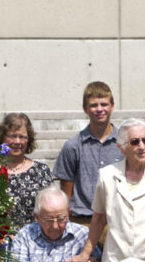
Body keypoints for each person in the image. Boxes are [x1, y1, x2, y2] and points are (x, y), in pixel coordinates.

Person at [65, 119, 145, 262]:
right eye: (135, 142)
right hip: (117, 261)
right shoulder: (107, 175)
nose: (142, 146)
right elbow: (99, 218)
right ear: (122, 148)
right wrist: (85, 253)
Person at [53, 81, 124, 225]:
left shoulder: (125, 143)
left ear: (112, 106)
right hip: (82, 221)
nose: (99, 109)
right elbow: (66, 190)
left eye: (104, 104)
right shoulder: (72, 146)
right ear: (85, 109)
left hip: (117, 220)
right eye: (93, 105)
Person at [0, 112, 55, 228]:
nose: (17, 142)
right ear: (3, 137)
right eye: (12, 136)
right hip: (1, 241)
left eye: (22, 136)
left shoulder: (41, 171)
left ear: (29, 140)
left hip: (34, 240)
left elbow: (50, 209)